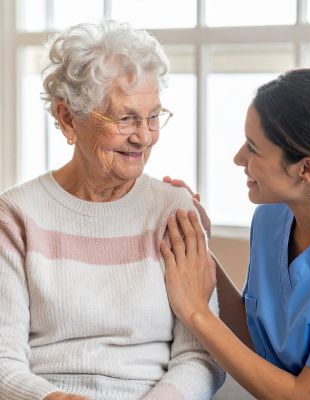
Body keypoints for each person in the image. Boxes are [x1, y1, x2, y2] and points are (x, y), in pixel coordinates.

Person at [0, 21, 225, 400]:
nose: (144, 136)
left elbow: (202, 355)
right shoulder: (16, 215)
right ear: (69, 118)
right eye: (125, 119)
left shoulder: (174, 211)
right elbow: (3, 357)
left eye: (153, 116)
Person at [161, 68, 310, 399]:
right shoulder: (272, 216)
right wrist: (194, 242)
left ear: (307, 169)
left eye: (253, 148)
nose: (238, 158)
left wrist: (196, 313)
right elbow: (256, 338)